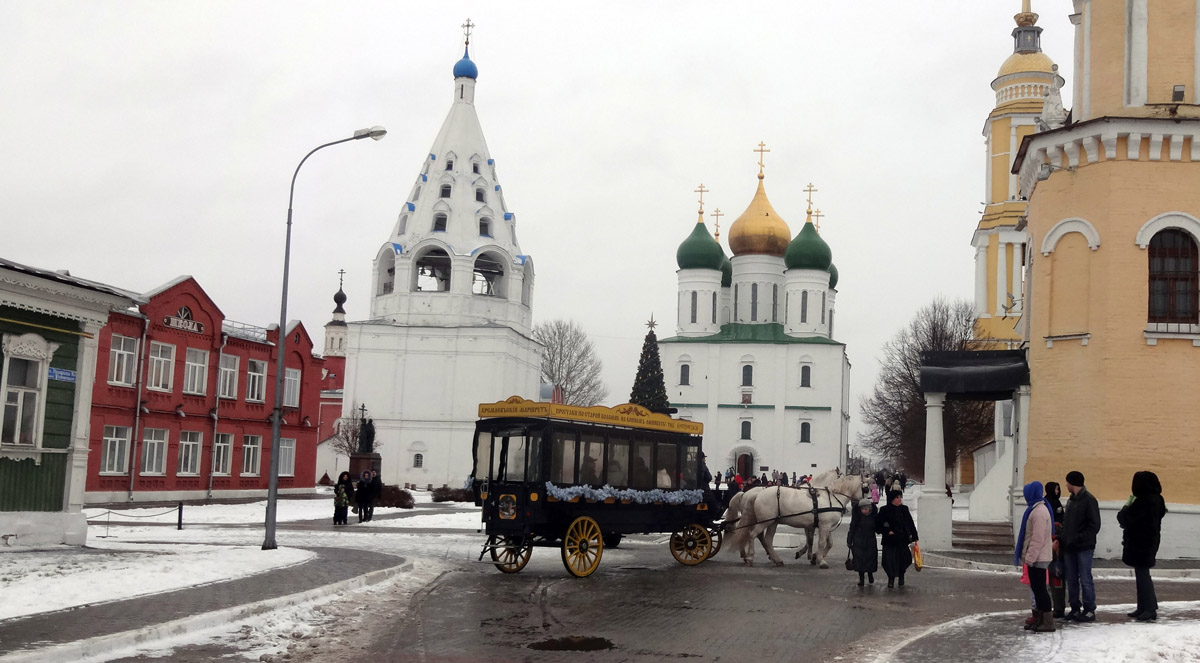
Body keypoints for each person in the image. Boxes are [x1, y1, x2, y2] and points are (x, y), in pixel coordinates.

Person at [1117, 471, 1167, 622]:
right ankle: (1143, 607)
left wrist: (1126, 507)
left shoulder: (1144, 501)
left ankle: (1150, 609)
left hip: (1141, 542)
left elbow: (1126, 518)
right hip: (1149, 541)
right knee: (1141, 574)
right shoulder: (1157, 499)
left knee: (1143, 575)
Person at [1058, 470, 1101, 622]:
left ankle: (1089, 609)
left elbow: (1094, 525)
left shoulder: (1089, 500)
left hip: (1084, 547)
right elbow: (1067, 523)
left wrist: (1078, 538)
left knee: (1085, 578)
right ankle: (1075, 608)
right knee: (1071, 579)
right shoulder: (1071, 500)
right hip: (1070, 546)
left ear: (1073, 483)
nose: (1066, 485)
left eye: (1067, 482)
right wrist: (1062, 538)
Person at [1015, 481, 1056, 632]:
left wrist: (1030, 558)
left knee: (1040, 591)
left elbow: (1037, 538)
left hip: (1038, 558)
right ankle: (1040, 620)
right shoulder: (1036, 509)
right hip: (1038, 556)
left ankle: (1047, 622)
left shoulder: (1038, 512)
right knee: (1038, 590)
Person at [876, 490, 918, 588]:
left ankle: (901, 575)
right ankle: (891, 578)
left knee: (904, 559)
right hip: (889, 540)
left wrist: (914, 536)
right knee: (889, 561)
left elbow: (910, 523)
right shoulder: (884, 510)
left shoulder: (904, 509)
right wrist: (886, 531)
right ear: (892, 499)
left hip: (902, 540)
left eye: (900, 497)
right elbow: (878, 525)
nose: (900, 499)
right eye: (897, 497)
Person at [1044, 481, 1067, 618]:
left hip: (1056, 542)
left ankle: (1058, 607)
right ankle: (1056, 607)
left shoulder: (1051, 503)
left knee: (1056, 575)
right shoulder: (1049, 504)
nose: (1058, 491)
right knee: (1055, 575)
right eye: (1056, 489)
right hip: (1053, 543)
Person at [847, 498, 879, 586]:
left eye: (865, 509)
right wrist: (849, 540)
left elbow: (878, 527)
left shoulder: (874, 517)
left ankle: (870, 574)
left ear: (870, 509)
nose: (863, 511)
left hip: (870, 540)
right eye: (862, 509)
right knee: (859, 560)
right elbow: (852, 527)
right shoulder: (857, 517)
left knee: (870, 559)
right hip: (858, 541)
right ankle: (861, 579)